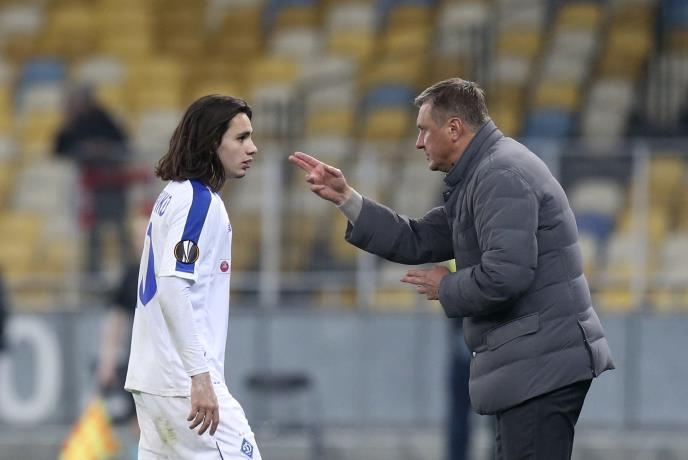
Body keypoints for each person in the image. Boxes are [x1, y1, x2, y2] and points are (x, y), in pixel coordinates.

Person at [289, 78, 615, 460]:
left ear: (454, 129)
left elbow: (506, 275)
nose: (418, 142)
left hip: (541, 366)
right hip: (534, 364)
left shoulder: (500, 175)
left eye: (424, 130)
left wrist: (446, 287)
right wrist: (347, 198)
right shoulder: (484, 174)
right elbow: (418, 238)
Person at [125, 95, 261, 460]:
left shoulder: (171, 196)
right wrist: (199, 376)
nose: (252, 147)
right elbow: (172, 286)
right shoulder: (198, 202)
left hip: (154, 381)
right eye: (241, 138)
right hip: (182, 381)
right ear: (212, 142)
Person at [54, 84, 131, 276]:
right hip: (89, 188)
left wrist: (103, 148)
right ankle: (93, 273)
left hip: (112, 185)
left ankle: (130, 272)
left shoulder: (103, 118)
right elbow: (58, 149)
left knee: (120, 229)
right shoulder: (73, 124)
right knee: (93, 232)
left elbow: (123, 144)